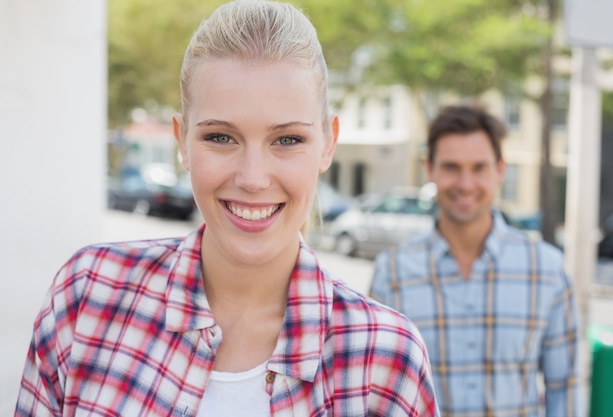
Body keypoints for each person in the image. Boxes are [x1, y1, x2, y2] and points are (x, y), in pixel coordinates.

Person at [15, 1, 439, 416]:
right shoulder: (88, 295)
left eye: (287, 140)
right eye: (221, 137)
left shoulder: (387, 359)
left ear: (328, 143)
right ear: (181, 140)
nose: (252, 178)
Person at [369, 104, 581, 417]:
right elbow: (377, 391)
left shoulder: (546, 270)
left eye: (479, 167)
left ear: (500, 170)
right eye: (452, 167)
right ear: (430, 169)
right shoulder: (393, 272)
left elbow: (564, 392)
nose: (466, 184)